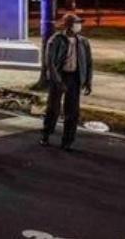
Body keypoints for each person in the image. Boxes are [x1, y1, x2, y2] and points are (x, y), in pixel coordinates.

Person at [41, 13, 93, 151]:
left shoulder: (83, 42)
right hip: (59, 77)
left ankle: (68, 140)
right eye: (76, 23)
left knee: (73, 111)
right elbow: (50, 63)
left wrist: (88, 81)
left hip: (75, 78)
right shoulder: (55, 40)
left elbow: (88, 63)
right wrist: (58, 81)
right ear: (68, 25)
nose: (79, 26)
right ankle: (46, 134)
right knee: (53, 109)